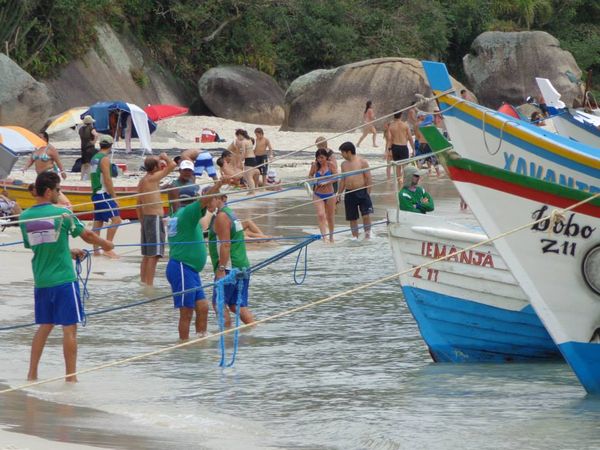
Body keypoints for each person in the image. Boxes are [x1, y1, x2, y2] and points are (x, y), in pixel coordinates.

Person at [19, 171, 114, 382]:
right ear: (47, 191)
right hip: (63, 279)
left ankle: (32, 374)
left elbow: (41, 244)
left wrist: (69, 252)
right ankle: (71, 377)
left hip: (41, 279)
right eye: (57, 190)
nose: (59, 194)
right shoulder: (62, 213)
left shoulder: (24, 217)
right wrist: (106, 244)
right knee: (69, 328)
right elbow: (87, 235)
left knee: (45, 326)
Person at [165, 181, 223, 341]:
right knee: (187, 311)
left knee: (202, 307)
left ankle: (200, 340)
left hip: (189, 269)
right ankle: (184, 344)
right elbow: (206, 199)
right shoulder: (189, 213)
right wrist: (220, 184)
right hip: (182, 267)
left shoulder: (179, 213)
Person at [207, 192, 255, 327]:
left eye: (209, 199)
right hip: (242, 264)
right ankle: (253, 331)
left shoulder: (222, 216)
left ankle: (226, 339)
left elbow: (226, 244)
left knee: (219, 304)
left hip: (229, 267)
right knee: (236, 305)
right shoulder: (230, 214)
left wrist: (221, 268)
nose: (206, 203)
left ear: (219, 199)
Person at [137, 153, 177, 287]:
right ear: (154, 168)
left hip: (147, 219)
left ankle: (143, 283)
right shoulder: (152, 178)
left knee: (147, 254)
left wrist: (141, 221)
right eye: (158, 163)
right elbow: (173, 165)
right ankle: (149, 285)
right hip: (154, 219)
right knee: (154, 255)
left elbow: (138, 203)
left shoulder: (143, 180)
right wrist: (165, 156)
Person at [90, 135, 122, 258]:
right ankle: (107, 247)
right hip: (102, 193)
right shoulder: (104, 158)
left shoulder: (95, 157)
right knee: (116, 219)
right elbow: (108, 179)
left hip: (95, 193)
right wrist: (114, 197)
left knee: (98, 222)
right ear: (110, 146)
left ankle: (96, 250)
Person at [338, 142, 373, 240]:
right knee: (352, 218)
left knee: (365, 215)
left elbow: (369, 179)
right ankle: (355, 237)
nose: (342, 155)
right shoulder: (343, 164)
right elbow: (343, 180)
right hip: (349, 193)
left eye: (342, 153)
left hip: (362, 191)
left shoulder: (362, 162)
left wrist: (368, 193)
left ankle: (367, 235)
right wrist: (339, 194)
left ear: (348, 152)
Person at [308, 148, 338, 243]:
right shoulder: (315, 166)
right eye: (318, 158)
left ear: (326, 157)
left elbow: (336, 177)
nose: (320, 160)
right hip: (318, 194)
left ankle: (331, 237)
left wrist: (327, 182)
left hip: (330, 194)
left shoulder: (331, 165)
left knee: (330, 216)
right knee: (321, 215)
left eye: (322, 157)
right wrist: (313, 180)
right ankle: (324, 237)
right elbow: (309, 176)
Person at [386, 111, 415, 183]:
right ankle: (404, 181)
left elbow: (389, 139)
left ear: (394, 116)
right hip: (403, 147)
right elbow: (410, 138)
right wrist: (413, 149)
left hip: (395, 147)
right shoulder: (405, 125)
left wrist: (388, 150)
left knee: (398, 166)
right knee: (405, 166)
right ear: (401, 115)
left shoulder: (391, 126)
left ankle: (399, 181)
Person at [234, 129, 259, 194]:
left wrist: (240, 161)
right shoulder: (249, 140)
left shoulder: (243, 142)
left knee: (249, 177)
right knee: (246, 175)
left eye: (237, 136)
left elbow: (243, 153)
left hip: (249, 159)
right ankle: (251, 190)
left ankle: (252, 192)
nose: (237, 138)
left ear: (240, 135)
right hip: (253, 159)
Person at [79, 115, 97, 181]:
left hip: (83, 147)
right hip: (89, 147)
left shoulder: (80, 129)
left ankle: (81, 177)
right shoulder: (91, 128)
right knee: (89, 163)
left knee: (83, 164)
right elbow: (96, 135)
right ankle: (89, 178)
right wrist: (94, 142)